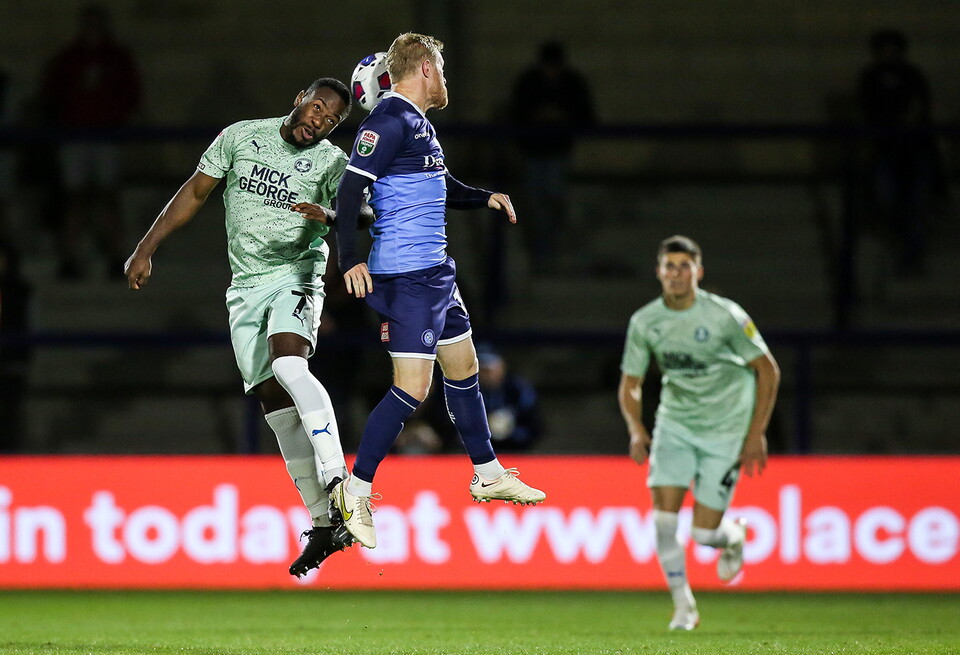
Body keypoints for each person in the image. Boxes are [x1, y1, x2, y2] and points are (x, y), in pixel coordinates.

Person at [125, 77, 374, 577]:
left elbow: (364, 210)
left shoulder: (330, 162)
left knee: (288, 362)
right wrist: (146, 248)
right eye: (317, 108)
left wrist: (328, 212)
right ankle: (325, 524)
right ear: (299, 97)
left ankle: (337, 477)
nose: (319, 121)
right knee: (273, 403)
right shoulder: (241, 136)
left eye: (331, 119)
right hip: (245, 286)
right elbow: (194, 193)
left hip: (297, 272)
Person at [330, 32, 546, 549]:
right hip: (406, 278)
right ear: (425, 67)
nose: (446, 78)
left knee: (465, 367)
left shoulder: (417, 125)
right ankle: (355, 491)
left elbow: (443, 187)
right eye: (442, 68)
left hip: (436, 274)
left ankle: (489, 474)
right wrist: (349, 259)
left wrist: (485, 196)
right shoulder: (386, 122)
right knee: (412, 387)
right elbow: (348, 190)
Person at [617, 235, 780, 631]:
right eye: (669, 266)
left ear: (698, 272)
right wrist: (637, 428)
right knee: (663, 522)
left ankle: (733, 535)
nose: (676, 274)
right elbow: (631, 383)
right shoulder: (645, 321)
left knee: (706, 534)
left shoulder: (726, 316)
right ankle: (683, 606)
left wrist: (756, 433)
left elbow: (768, 370)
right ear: (658, 272)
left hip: (726, 428)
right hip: (675, 424)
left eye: (684, 266)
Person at [41, 4, 141, 279]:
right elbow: (53, 93)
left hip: (107, 137)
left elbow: (130, 94)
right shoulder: (69, 58)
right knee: (75, 199)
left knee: (109, 198)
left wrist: (114, 118)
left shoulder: (116, 57)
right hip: (74, 137)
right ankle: (70, 257)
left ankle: (115, 256)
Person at [858, 29, 942, 275]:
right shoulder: (871, 77)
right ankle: (904, 243)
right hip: (886, 150)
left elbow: (921, 108)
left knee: (916, 204)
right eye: (884, 49)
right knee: (890, 199)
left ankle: (912, 253)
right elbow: (867, 109)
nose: (889, 54)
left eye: (893, 48)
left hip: (916, 151)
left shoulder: (912, 75)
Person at [509, 41, 594, 271]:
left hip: (558, 152)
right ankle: (540, 255)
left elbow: (586, 115)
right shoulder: (530, 83)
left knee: (555, 201)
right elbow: (516, 113)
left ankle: (551, 253)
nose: (551, 73)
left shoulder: (571, 83)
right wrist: (537, 118)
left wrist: (561, 118)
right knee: (535, 206)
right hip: (533, 152)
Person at [476, 346, 543, 451]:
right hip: (482, 448)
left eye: (490, 369)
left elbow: (533, 420)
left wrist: (510, 423)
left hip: (517, 447)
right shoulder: (470, 391)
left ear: (502, 366)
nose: (486, 375)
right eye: (482, 370)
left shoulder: (518, 387)